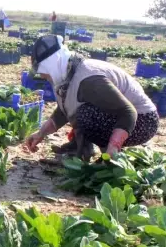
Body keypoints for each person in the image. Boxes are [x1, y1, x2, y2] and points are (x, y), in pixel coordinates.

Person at [24, 35, 159, 159]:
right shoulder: (67, 74)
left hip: (143, 121)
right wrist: (40, 134)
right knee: (82, 111)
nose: (42, 76)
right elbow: (63, 111)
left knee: (86, 115)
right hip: (124, 117)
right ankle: (81, 146)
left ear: (52, 66)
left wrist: (113, 146)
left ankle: (109, 154)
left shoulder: (89, 80)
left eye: (43, 71)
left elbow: (128, 112)